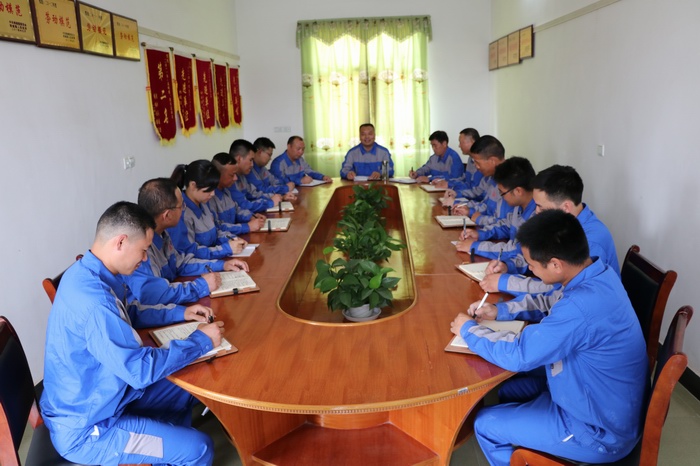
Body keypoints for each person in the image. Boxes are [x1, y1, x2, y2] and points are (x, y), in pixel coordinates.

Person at [450, 210, 648, 466]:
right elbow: (551, 301)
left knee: (486, 424)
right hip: (593, 396)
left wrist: (468, 330)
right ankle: (531, 449)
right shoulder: (598, 273)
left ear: (555, 264)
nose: (531, 271)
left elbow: (520, 355)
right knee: (509, 389)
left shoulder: (580, 306)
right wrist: (499, 311)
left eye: (532, 266)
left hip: (597, 431)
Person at [40, 201, 224, 466]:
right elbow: (139, 371)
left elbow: (130, 312)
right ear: (121, 242)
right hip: (90, 429)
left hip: (110, 395)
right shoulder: (95, 302)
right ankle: (175, 449)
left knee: (186, 384)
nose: (145, 259)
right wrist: (200, 341)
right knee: (199, 449)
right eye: (144, 250)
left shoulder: (87, 272)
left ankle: (167, 448)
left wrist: (180, 313)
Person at [480, 164, 620, 294]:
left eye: (540, 206)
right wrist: (508, 266)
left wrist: (504, 283)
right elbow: (541, 257)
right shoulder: (562, 224)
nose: (536, 211)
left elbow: (556, 291)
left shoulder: (591, 241)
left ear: (566, 207)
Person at [124, 178, 249, 306]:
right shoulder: (140, 249)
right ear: (167, 215)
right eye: (181, 206)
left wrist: (222, 265)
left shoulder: (162, 233)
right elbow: (156, 295)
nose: (184, 210)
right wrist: (201, 286)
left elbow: (181, 264)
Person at [456, 157, 536, 260]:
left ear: (518, 191)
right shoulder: (519, 206)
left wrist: (475, 246)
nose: (501, 197)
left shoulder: (536, 215)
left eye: (502, 192)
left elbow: (516, 250)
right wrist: (480, 234)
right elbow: (505, 227)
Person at [167, 159, 245, 260]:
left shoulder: (204, 203)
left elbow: (215, 232)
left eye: (214, 189)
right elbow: (189, 252)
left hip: (212, 261)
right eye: (208, 190)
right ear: (193, 185)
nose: (213, 194)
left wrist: (232, 239)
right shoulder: (180, 213)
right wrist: (225, 249)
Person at [452, 135, 514, 226]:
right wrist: (468, 210)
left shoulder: (510, 183)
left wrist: (479, 219)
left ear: (492, 161)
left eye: (477, 163)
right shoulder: (490, 177)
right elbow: (485, 205)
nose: (476, 167)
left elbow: (505, 224)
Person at [209, 152, 266, 235]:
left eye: (236, 174)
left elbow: (236, 210)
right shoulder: (209, 197)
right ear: (218, 175)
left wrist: (251, 216)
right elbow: (218, 227)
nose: (235, 178)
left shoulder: (226, 191)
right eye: (232, 175)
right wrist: (247, 227)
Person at [229, 138, 282, 212]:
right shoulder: (229, 179)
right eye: (250, 160)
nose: (252, 164)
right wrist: (270, 202)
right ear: (239, 159)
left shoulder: (241, 175)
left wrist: (274, 196)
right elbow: (244, 205)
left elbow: (253, 194)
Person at [433, 128, 483, 193]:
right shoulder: (470, 159)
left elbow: (473, 188)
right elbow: (464, 178)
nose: (459, 145)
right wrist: (448, 182)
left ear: (473, 142)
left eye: (461, 142)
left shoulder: (482, 162)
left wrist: (452, 187)